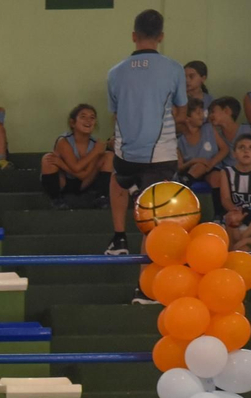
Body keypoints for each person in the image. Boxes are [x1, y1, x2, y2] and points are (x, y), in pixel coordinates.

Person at [102, 8, 188, 255]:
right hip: (161, 156)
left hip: (126, 155)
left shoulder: (115, 73)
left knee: (117, 178)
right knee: (153, 224)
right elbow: (182, 114)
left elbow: (116, 113)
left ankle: (119, 238)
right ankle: (144, 282)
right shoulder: (174, 69)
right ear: (161, 36)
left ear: (133, 36)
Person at [40, 103, 113, 208]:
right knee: (47, 159)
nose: (88, 120)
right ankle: (56, 199)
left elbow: (84, 175)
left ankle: (102, 197)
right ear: (72, 123)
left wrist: (61, 163)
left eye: (92, 118)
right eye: (83, 117)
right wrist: (95, 152)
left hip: (85, 182)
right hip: (63, 181)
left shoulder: (95, 145)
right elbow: (76, 167)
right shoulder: (63, 141)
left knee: (109, 156)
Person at [217, 133, 251, 251]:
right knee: (231, 219)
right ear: (234, 153)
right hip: (236, 213)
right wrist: (235, 212)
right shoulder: (226, 173)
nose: (246, 151)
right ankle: (233, 254)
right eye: (242, 147)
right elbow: (225, 199)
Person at [176, 99, 226, 182]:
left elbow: (224, 149)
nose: (202, 115)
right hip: (190, 170)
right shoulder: (179, 141)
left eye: (202, 112)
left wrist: (211, 163)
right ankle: (185, 183)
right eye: (198, 113)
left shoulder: (209, 129)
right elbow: (180, 166)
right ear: (187, 118)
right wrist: (194, 161)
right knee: (199, 166)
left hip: (212, 167)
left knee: (216, 177)